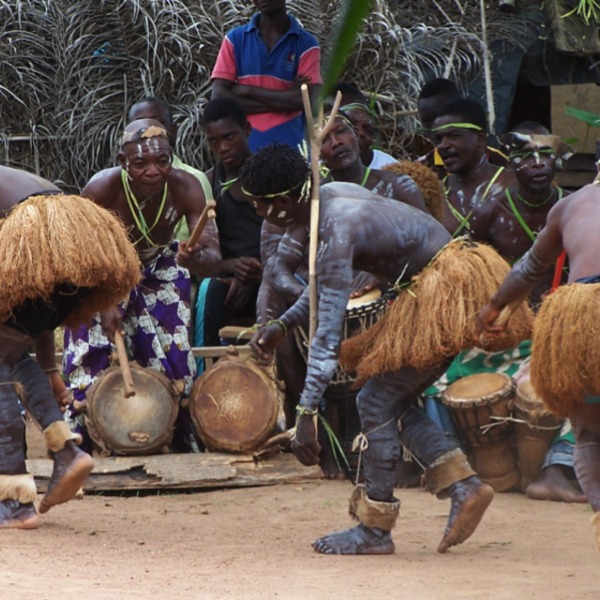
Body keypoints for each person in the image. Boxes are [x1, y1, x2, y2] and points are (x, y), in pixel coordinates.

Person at [241, 143, 533, 555]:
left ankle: (376, 530)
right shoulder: (330, 198)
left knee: (375, 402)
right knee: (388, 399)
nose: (259, 215)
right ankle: (463, 485)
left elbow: (327, 333)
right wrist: (281, 324)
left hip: (443, 295)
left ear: (285, 202)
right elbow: (324, 283)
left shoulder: (336, 225)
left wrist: (306, 413)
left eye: (260, 206)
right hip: (437, 286)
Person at [62, 119, 221, 452]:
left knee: (173, 355)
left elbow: (212, 260)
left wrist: (195, 259)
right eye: (140, 163)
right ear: (123, 162)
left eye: (161, 161)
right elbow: (78, 258)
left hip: (159, 264)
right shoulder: (101, 190)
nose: (153, 170)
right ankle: (80, 446)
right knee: (90, 351)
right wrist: (104, 301)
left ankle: (175, 439)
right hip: (101, 272)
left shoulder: (186, 188)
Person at [0, 166, 140, 528]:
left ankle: (13, 500)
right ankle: (66, 451)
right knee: (9, 351)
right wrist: (51, 373)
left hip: (38, 234)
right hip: (79, 235)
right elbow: (38, 326)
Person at [477, 174, 600, 549]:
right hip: (581, 317)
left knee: (589, 430)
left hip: (579, 318)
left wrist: (494, 307)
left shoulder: (572, 205)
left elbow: (529, 269)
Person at [194, 97, 264, 351]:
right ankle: (205, 372)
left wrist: (256, 273)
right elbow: (202, 253)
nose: (223, 147)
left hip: (273, 273)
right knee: (207, 290)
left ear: (246, 130)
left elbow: (294, 238)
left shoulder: (272, 178)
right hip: (229, 281)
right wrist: (232, 267)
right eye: (214, 141)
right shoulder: (209, 184)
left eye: (229, 137)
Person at [211, 0, 321, 152]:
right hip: (246, 152)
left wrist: (249, 91)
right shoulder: (235, 39)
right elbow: (218, 97)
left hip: (292, 150)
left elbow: (309, 100)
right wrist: (286, 99)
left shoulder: (306, 44)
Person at [127, 96, 213, 240]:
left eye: (158, 124)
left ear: (173, 130)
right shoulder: (111, 183)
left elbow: (207, 245)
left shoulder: (194, 180)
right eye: (140, 126)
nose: (149, 132)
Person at [431, 98, 515, 236]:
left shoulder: (513, 185)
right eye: (438, 139)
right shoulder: (435, 195)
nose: (442, 145)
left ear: (480, 138)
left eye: (453, 135)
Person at [416, 78, 507, 179]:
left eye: (441, 117)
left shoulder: (502, 164)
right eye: (427, 121)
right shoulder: (420, 172)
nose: (435, 128)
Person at [333, 82, 396, 169]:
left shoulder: (391, 170)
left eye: (367, 128)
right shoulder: (318, 175)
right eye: (350, 126)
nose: (361, 133)